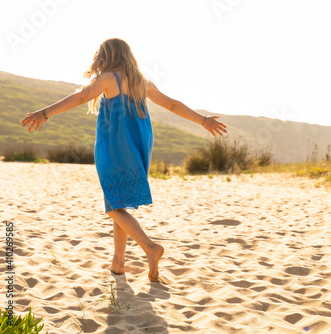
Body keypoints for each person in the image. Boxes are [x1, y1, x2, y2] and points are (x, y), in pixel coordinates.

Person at [21, 38, 227, 282]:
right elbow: (171, 104)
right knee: (120, 202)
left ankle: (150, 247)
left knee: (112, 203)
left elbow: (81, 97)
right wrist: (203, 121)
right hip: (140, 142)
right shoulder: (142, 82)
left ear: (107, 56)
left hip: (115, 144)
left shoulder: (109, 77)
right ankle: (118, 262)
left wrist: (44, 113)